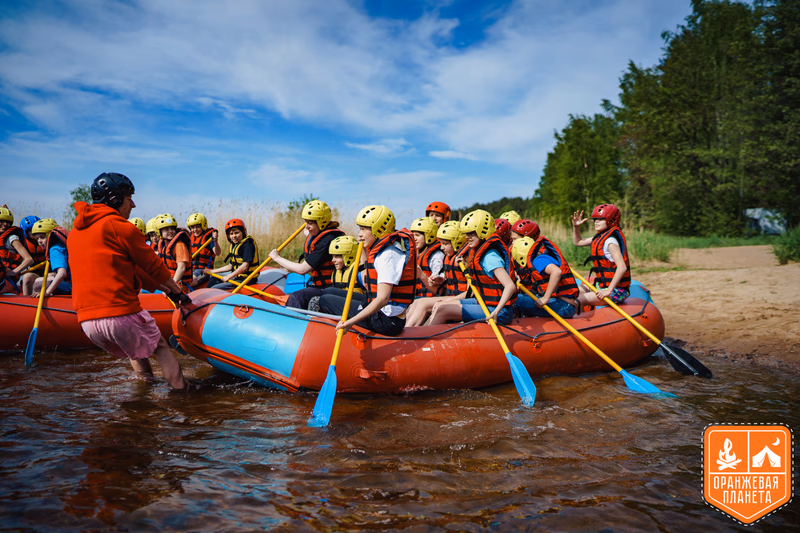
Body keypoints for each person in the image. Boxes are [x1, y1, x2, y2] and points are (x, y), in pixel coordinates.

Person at [67, 172, 187, 390]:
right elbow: (153, 266)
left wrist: (166, 290)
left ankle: (144, 393)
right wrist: (177, 291)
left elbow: (135, 270)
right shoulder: (119, 226)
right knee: (161, 347)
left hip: (86, 322)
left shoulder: (74, 233)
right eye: (129, 198)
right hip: (119, 314)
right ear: (114, 199)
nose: (133, 204)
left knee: (135, 349)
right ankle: (182, 397)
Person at [319, 205, 416, 336]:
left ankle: (330, 335)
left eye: (364, 229)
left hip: (387, 321)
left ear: (379, 230)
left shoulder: (389, 255)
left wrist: (351, 321)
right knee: (328, 291)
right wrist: (365, 249)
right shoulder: (381, 250)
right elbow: (367, 283)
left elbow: (383, 299)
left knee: (325, 301)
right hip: (380, 311)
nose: (360, 234)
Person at [427, 209, 517, 326]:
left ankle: (427, 336)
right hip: (485, 303)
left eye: (471, 233)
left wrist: (496, 312)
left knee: (443, 310)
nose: (467, 237)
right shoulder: (478, 252)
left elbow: (510, 286)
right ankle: (422, 333)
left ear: (482, 231)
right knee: (441, 304)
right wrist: (465, 265)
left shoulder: (490, 257)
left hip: (500, 311)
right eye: (466, 234)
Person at [270, 200, 344, 309]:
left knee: (296, 297)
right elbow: (311, 236)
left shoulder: (327, 240)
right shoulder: (320, 233)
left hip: (330, 288)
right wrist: (309, 230)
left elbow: (302, 270)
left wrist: (277, 258)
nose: (306, 227)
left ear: (321, 222)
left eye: (310, 223)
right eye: (305, 222)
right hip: (320, 285)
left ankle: (295, 319)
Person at [405, 220, 466, 327]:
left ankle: (413, 333)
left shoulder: (463, 261)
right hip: (449, 296)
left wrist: (448, 300)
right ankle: (406, 330)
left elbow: (470, 292)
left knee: (423, 303)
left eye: (445, 244)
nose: (442, 248)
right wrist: (442, 281)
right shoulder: (448, 258)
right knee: (416, 302)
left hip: (460, 299)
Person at [572, 203, 631, 306]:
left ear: (611, 220)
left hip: (617, 291)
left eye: (600, 219)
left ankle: (578, 314)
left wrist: (608, 290)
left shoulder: (610, 242)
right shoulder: (599, 238)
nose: (596, 222)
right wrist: (576, 227)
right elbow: (578, 242)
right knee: (573, 292)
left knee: (578, 300)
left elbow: (622, 267)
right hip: (602, 285)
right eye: (595, 219)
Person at [512, 236, 579, 318]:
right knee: (524, 297)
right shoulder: (542, 258)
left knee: (516, 299)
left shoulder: (538, 260)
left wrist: (545, 298)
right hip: (566, 305)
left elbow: (556, 272)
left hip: (562, 307)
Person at [306, 235, 365, 312]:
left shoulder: (359, 272)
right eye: (332, 256)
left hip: (361, 306)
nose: (333, 260)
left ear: (349, 255)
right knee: (321, 296)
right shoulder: (336, 272)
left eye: (337, 256)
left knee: (323, 298)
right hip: (345, 303)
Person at [206, 218, 260, 288]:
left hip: (247, 279)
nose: (234, 236)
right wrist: (212, 271)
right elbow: (230, 266)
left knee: (215, 288)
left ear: (243, 232)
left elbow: (245, 266)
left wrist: (229, 276)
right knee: (213, 279)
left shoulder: (247, 245)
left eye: (237, 233)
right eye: (231, 234)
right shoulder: (234, 245)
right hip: (238, 277)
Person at [29, 219, 72, 297]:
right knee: (44, 278)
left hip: (72, 287)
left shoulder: (55, 249)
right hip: (75, 283)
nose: (39, 241)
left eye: (42, 237)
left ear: (50, 235)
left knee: (37, 283)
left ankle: (33, 302)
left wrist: (46, 293)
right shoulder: (62, 245)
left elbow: (62, 273)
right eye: (37, 238)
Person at [0, 205, 35, 292]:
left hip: (7, 280)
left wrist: (14, 272)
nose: (5, 224)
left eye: (8, 222)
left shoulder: (11, 238)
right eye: (1, 221)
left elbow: (29, 259)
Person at [153, 215, 193, 290]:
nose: (170, 231)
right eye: (166, 229)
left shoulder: (179, 245)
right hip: (169, 282)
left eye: (172, 228)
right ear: (159, 232)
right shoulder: (163, 244)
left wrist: (172, 286)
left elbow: (181, 268)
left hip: (179, 284)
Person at [411, 217, 445, 299]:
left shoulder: (437, 256)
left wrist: (421, 275)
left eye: (417, 235)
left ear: (428, 236)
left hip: (431, 299)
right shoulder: (416, 254)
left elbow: (438, 290)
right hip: (417, 296)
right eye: (413, 235)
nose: (414, 238)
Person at [186, 212, 221, 287]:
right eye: (192, 227)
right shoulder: (189, 237)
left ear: (203, 226)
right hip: (190, 269)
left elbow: (217, 252)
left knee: (190, 280)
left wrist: (215, 241)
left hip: (203, 271)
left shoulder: (208, 238)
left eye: (197, 227)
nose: (195, 230)